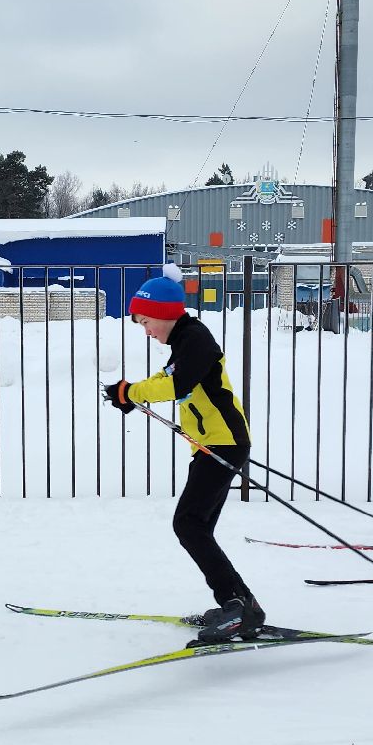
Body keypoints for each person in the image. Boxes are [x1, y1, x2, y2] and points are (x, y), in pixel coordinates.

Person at [103, 264, 265, 642]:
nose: (145, 331)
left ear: (162, 313)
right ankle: (243, 605)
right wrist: (129, 391)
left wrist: (133, 392)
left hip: (224, 443)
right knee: (197, 526)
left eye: (145, 322)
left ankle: (235, 607)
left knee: (188, 524)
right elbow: (166, 378)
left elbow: (178, 385)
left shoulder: (197, 340)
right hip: (214, 443)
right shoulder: (185, 341)